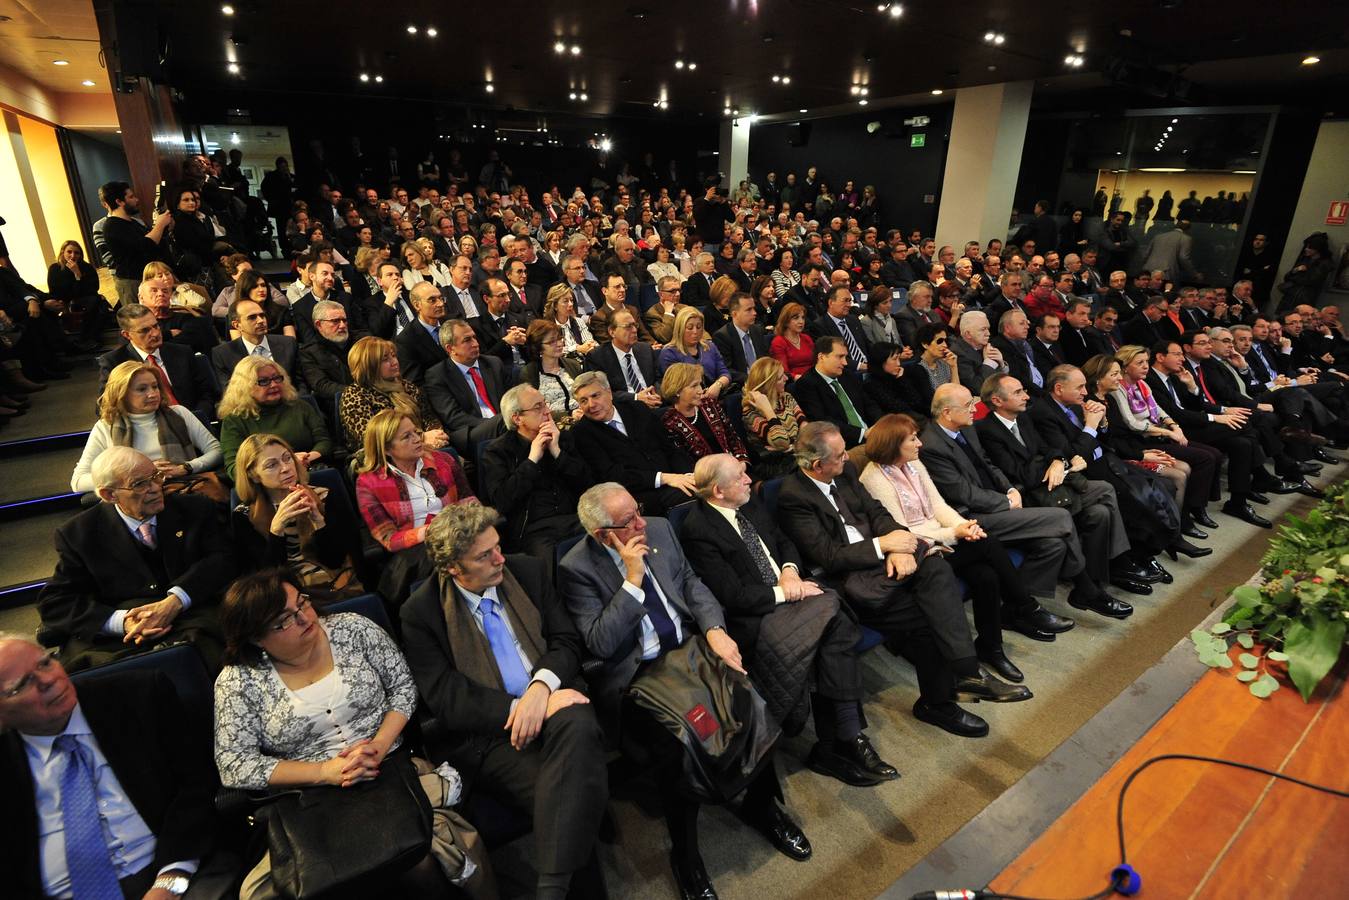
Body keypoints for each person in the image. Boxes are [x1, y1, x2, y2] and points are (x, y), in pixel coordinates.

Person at [559, 482, 812, 899]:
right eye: (628, 522)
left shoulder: (658, 528)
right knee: (682, 745)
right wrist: (632, 580)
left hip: (692, 649)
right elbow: (601, 643)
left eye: (638, 510)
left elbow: (692, 583)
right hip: (640, 674)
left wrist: (714, 630)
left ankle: (762, 807)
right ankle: (686, 854)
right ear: (604, 535)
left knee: (751, 703)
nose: (641, 522)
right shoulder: (576, 567)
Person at [213, 569, 489, 899]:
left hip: (389, 771)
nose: (304, 618)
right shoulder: (238, 682)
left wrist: (379, 744)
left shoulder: (352, 630)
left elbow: (402, 686)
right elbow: (234, 763)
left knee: (421, 859)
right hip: (310, 801)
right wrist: (323, 772)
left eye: (302, 603)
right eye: (284, 621)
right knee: (307, 884)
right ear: (257, 638)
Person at [398, 503, 609, 899]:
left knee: (576, 718)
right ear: (452, 569)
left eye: (497, 546)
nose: (500, 559)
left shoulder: (525, 570)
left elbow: (565, 642)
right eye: (484, 555)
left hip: (553, 698)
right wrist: (518, 709)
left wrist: (540, 690)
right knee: (566, 798)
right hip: (492, 735)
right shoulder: (421, 612)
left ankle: (551, 889)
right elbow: (446, 698)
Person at [776, 422, 1026, 738]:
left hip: (885, 562)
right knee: (928, 616)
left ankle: (967, 672)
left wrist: (900, 543)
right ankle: (940, 703)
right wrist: (885, 546)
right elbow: (829, 555)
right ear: (817, 465)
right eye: (839, 456)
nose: (847, 459)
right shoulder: (793, 496)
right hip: (852, 580)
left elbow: (878, 513)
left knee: (937, 567)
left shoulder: (846, 472)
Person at [680, 454, 898, 783]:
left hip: (789, 593)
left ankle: (839, 743)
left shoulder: (748, 501)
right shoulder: (698, 529)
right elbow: (734, 596)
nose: (747, 477)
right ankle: (846, 739)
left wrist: (790, 572)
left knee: (833, 631)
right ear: (718, 491)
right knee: (834, 625)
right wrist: (789, 592)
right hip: (757, 614)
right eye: (739, 475)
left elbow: (783, 541)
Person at [0, 632, 223, 900]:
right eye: (24, 683)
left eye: (45, 663)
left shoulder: (138, 697)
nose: (48, 680)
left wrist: (169, 883)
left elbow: (197, 788)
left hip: (173, 875)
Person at [859, 414, 1074, 662]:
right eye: (913, 438)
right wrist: (956, 533)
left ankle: (992, 648)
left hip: (945, 539)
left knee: (987, 577)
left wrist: (964, 526)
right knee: (989, 543)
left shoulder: (914, 464)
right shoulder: (872, 478)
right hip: (922, 551)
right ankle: (1025, 607)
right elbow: (903, 531)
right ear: (894, 444)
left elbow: (939, 506)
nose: (920, 443)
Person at [920, 384, 1134, 620]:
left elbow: (989, 465)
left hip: (1004, 499)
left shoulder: (966, 430)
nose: (975, 409)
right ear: (947, 412)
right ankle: (1087, 590)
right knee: (1062, 518)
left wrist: (1009, 489)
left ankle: (1021, 606)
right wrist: (1005, 501)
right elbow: (963, 494)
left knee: (1054, 543)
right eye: (969, 405)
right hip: (970, 517)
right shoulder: (931, 446)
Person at [39, 446, 233, 671]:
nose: (155, 488)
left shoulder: (195, 508)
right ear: (109, 495)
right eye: (140, 484)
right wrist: (122, 621)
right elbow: (55, 602)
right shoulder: (79, 534)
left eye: (155, 476)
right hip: (122, 641)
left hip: (193, 619)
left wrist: (176, 600)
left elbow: (223, 560)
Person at [980, 372, 1164, 590]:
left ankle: (1101, 575)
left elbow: (1049, 449)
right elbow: (1020, 474)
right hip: (1030, 496)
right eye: (1018, 392)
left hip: (1055, 486)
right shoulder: (987, 430)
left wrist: (1057, 460)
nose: (1026, 397)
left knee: (1101, 512)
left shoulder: (1023, 418)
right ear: (997, 401)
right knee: (1106, 489)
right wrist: (1057, 462)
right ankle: (1117, 565)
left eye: (1024, 390)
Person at [1145, 340, 1291, 527]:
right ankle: (1271, 469)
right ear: (1160, 357)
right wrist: (1215, 418)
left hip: (1192, 424)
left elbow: (1196, 404)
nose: (1182, 358)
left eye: (1182, 354)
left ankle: (1238, 501)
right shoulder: (1151, 380)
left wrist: (1192, 387)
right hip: (1179, 430)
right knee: (1247, 425)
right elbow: (1176, 414)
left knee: (1243, 443)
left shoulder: (1175, 376)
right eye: (1177, 354)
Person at [356, 408, 476, 604]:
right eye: (406, 437)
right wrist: (430, 532)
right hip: (415, 553)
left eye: (416, 432)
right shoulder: (368, 483)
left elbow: (469, 503)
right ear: (386, 448)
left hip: (459, 536)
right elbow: (388, 538)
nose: (417, 439)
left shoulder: (444, 461)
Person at [230, 433, 363, 592]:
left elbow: (336, 559)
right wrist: (276, 530)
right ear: (254, 475)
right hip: (284, 594)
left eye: (287, 458)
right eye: (272, 465)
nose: (286, 468)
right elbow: (265, 577)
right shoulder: (244, 516)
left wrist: (319, 520)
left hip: (334, 582)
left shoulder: (325, 496)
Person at [72, 360, 222, 498]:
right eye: (142, 389)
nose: (152, 394)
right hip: (136, 499)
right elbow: (78, 481)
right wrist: (137, 476)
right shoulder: (106, 426)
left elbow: (217, 450)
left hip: (184, 489)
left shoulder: (179, 413)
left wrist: (187, 467)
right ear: (121, 393)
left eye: (155, 386)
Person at [481, 384, 588, 570]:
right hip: (534, 529)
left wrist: (557, 453)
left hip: (574, 517)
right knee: (549, 569)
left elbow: (587, 483)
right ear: (517, 418)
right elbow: (502, 501)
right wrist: (532, 460)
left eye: (545, 404)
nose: (548, 411)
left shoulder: (561, 439)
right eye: (538, 407)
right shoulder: (497, 451)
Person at [569, 371, 695, 515]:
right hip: (636, 494)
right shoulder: (581, 432)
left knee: (707, 484)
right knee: (692, 497)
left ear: (609, 393)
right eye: (583, 401)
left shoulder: (637, 408)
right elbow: (612, 476)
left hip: (673, 479)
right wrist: (664, 478)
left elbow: (669, 448)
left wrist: (687, 475)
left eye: (595, 396)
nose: (591, 405)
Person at [99, 303, 216, 425]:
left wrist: (195, 419)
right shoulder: (114, 362)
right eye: (144, 330)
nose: (155, 333)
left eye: (156, 326)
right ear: (127, 335)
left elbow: (207, 392)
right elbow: (106, 406)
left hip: (193, 422)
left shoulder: (182, 352)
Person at [218, 356, 332, 480]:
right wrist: (285, 464)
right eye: (263, 381)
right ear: (244, 387)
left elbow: (324, 441)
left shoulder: (299, 406)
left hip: (310, 471)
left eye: (277, 378)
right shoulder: (234, 420)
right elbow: (234, 469)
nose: (273, 384)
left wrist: (304, 459)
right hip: (267, 485)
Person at [340, 334, 447, 453]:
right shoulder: (355, 395)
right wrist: (421, 438)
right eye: (385, 360)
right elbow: (372, 438)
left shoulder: (407, 386)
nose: (394, 362)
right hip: (381, 457)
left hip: (423, 447)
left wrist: (436, 435)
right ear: (369, 366)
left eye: (393, 356)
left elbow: (429, 417)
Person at [424, 318, 513, 457]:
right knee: (510, 420)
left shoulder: (493, 363)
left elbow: (511, 397)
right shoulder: (437, 375)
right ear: (450, 348)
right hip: (469, 432)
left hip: (503, 422)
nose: (475, 344)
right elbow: (454, 418)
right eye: (467, 340)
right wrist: (493, 423)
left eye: (474, 338)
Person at [789, 336, 881, 446]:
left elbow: (869, 403)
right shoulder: (806, 384)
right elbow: (822, 421)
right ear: (822, 357)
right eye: (840, 357)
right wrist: (863, 433)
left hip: (873, 435)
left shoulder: (847, 375)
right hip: (844, 444)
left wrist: (880, 424)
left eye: (845, 357)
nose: (845, 363)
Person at [94, 181, 172, 308]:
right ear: (119, 201)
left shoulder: (134, 223)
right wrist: (160, 224)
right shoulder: (112, 226)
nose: (136, 200)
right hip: (131, 282)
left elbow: (155, 244)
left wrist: (164, 227)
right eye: (131, 197)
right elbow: (145, 245)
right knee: (140, 321)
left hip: (145, 278)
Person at [660, 362, 749, 470]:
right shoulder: (670, 422)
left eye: (700, 384)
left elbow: (732, 437)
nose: (700, 390)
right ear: (677, 391)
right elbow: (684, 463)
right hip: (707, 479)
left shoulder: (710, 404)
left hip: (735, 467)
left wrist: (741, 462)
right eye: (694, 386)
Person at [211, 295, 300, 389]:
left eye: (262, 315)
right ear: (237, 325)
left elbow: (300, 383)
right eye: (252, 317)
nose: (261, 321)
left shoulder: (288, 344)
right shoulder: (223, 354)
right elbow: (229, 392)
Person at [741, 356, 807, 479]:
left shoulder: (786, 397)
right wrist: (768, 410)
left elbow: (806, 428)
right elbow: (782, 442)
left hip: (797, 455)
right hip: (774, 465)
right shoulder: (750, 412)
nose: (787, 379)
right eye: (781, 377)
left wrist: (792, 446)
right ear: (769, 383)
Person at [45, 240, 107, 352]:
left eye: (76, 253)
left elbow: (93, 289)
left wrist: (78, 276)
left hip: (84, 300)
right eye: (69, 252)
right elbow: (56, 291)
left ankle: (89, 338)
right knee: (97, 302)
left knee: (98, 302)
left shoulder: (87, 268)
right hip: (64, 301)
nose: (73, 255)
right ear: (63, 252)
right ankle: (87, 339)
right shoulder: (55, 269)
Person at [770, 301, 816, 379]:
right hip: (793, 381)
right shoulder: (779, 342)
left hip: (812, 377)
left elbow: (816, 362)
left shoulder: (806, 338)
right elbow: (784, 371)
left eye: (803, 318)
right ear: (786, 321)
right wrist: (798, 377)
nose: (801, 322)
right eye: (796, 318)